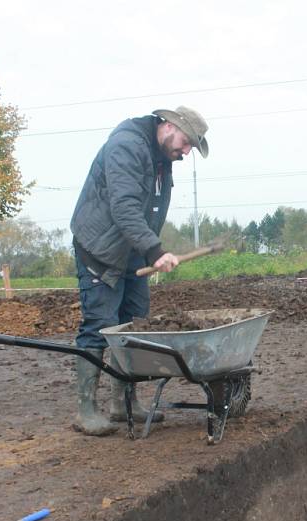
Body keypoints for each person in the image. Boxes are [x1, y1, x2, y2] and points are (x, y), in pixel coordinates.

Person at [69, 106, 210, 436]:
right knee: (100, 325)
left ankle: (124, 403)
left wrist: (147, 247)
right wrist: (155, 250)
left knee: (134, 323)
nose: (186, 152)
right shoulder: (127, 145)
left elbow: (150, 208)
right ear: (169, 126)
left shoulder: (161, 156)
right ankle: (85, 410)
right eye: (187, 143)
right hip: (100, 248)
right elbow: (124, 206)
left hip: (131, 249)